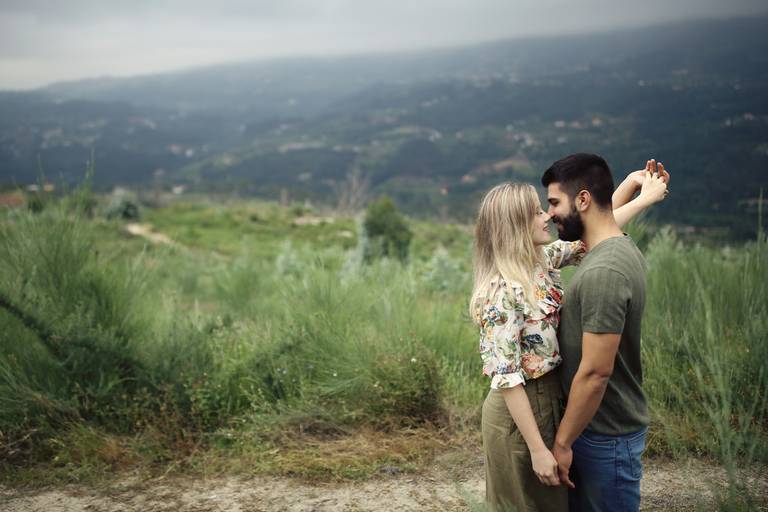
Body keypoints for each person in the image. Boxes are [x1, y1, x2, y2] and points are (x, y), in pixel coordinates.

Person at [471, 159, 668, 512]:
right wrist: (536, 449)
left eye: (545, 208)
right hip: (520, 414)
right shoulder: (499, 292)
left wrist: (635, 192)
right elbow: (507, 378)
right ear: (514, 226)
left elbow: (597, 225)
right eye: (535, 213)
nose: (546, 216)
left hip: (550, 403)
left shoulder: (539, 260)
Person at [543, 154, 666, 511]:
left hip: (603, 435)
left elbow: (596, 373)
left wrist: (563, 443)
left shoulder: (604, 272)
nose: (549, 214)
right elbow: (602, 218)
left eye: (554, 202)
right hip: (598, 430)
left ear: (582, 200)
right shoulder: (611, 248)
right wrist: (632, 186)